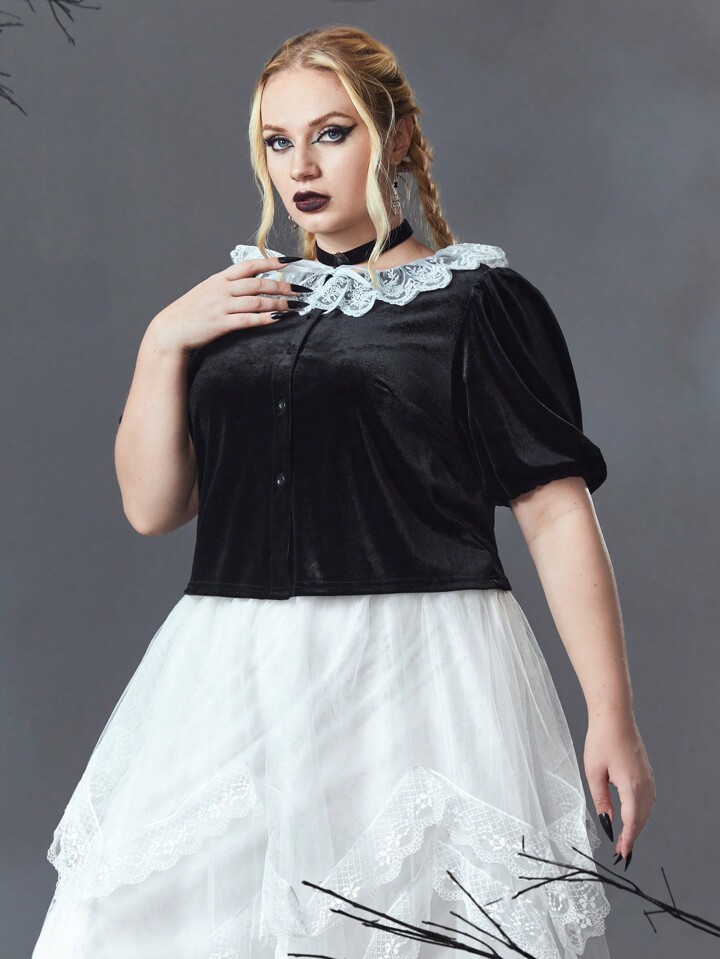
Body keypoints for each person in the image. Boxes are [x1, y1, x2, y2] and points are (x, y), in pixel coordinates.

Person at [32, 23, 655, 959]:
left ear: (395, 138)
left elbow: (554, 510)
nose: (302, 167)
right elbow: (152, 507)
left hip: (421, 675)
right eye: (278, 142)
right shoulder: (235, 304)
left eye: (331, 133)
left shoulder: (477, 303)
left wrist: (612, 715)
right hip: (234, 679)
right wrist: (163, 340)